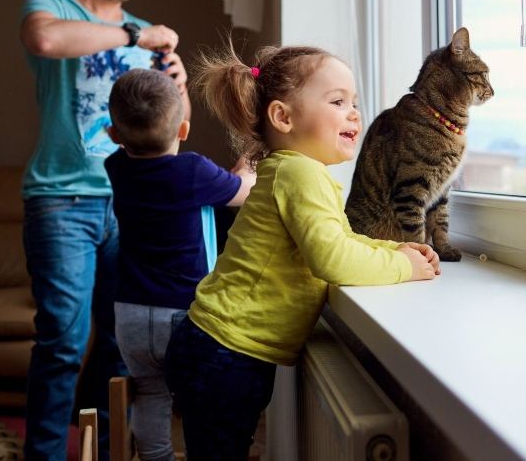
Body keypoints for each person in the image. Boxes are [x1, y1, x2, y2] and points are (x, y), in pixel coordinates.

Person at [163, 43, 441, 459]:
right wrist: (402, 266)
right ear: (283, 117)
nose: (353, 113)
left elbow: (340, 239)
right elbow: (333, 258)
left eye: (354, 102)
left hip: (224, 348)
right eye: (337, 101)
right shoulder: (299, 173)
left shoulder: (298, 171)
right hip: (224, 352)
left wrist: (392, 247)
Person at [19, 0, 190, 460]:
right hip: (61, 199)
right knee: (63, 344)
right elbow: (45, 40)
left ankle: (114, 451)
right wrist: (135, 34)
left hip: (129, 202)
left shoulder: (147, 37)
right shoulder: (53, 8)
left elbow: (174, 129)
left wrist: (180, 86)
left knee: (125, 346)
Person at [104, 68, 255, 461]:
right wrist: (247, 165)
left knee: (150, 392)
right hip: (183, 313)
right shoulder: (193, 171)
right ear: (183, 129)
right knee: (196, 394)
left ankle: (157, 458)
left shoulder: (116, 168)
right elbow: (241, 192)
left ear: (114, 136)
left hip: (130, 313)